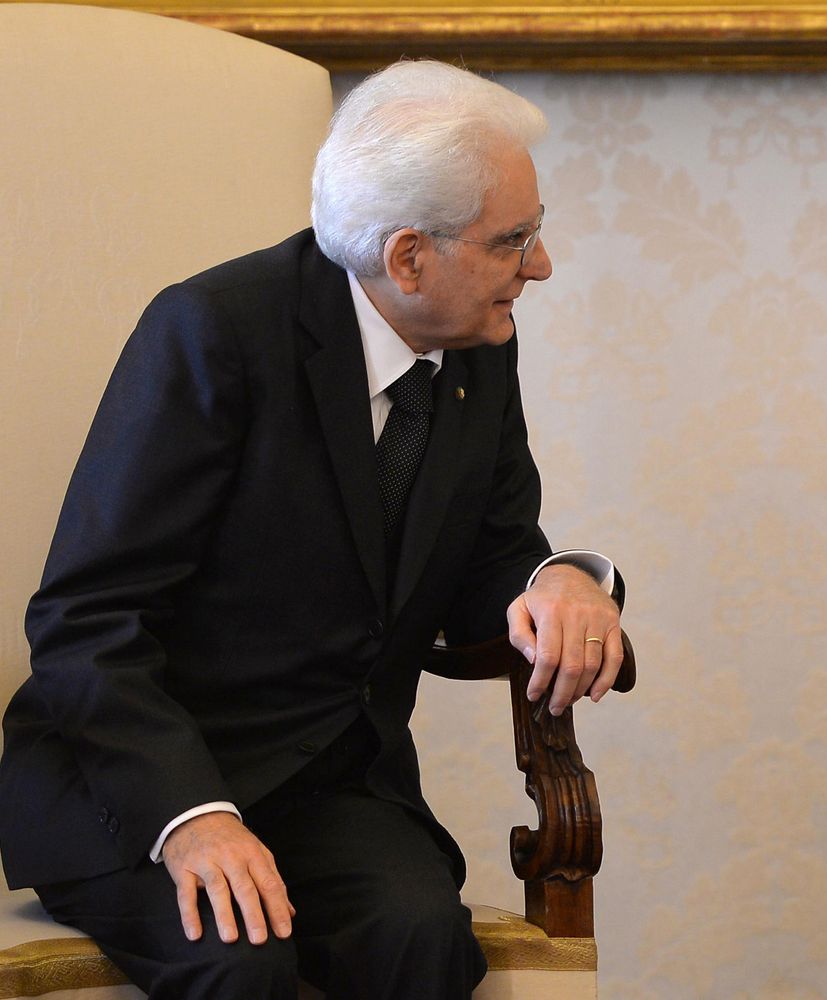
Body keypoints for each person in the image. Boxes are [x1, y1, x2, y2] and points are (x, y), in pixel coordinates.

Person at [0, 60, 626, 1000]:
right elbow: (87, 620)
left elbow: (492, 546)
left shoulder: (475, 348)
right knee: (241, 962)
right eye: (515, 241)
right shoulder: (214, 333)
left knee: (421, 940)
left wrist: (559, 579)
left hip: (328, 787)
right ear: (408, 255)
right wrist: (193, 817)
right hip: (137, 788)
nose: (539, 266)